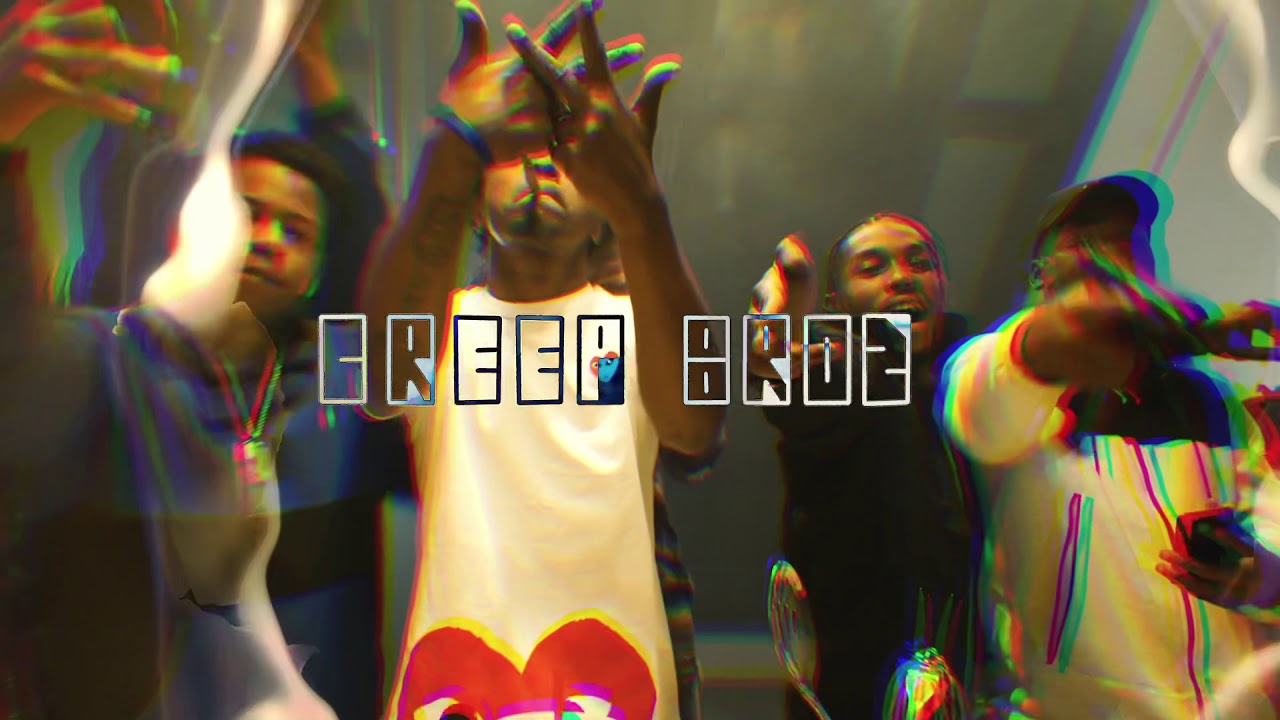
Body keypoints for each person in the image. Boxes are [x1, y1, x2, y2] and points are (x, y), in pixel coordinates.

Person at [356, 1, 724, 717]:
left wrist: (641, 206)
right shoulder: (444, 323)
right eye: (515, 147)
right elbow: (378, 380)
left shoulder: (636, 322)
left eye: (562, 152)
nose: (537, 167)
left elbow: (697, 427)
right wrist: (452, 147)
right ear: (475, 191)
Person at [0, 2, 336, 717]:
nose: (267, 239)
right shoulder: (103, 363)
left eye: (297, 229)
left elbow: (416, 311)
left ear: (317, 271)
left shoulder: (351, 380)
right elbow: (14, 341)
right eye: (250, 211)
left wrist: (445, 160)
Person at [938, 172, 1280, 719]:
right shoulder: (998, 369)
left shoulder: (1213, 400)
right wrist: (1198, 328)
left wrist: (1260, 575)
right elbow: (1074, 329)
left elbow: (1271, 524)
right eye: (1086, 243)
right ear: (1041, 274)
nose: (1110, 258)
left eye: (1126, 241)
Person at [746, 214, 981, 719]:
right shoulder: (844, 365)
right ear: (838, 304)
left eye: (920, 263)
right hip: (851, 699)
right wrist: (778, 336)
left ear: (943, 283)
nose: (902, 277)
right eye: (872, 268)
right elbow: (792, 380)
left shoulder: (982, 380)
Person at [591, 230, 715, 720]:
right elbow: (389, 403)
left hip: (641, 594)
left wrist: (650, 295)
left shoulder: (630, 327)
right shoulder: (466, 325)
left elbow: (698, 449)